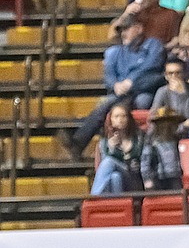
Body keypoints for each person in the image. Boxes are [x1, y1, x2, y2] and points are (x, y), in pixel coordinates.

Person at [57, 17, 166, 159]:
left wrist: (132, 81)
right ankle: (80, 143)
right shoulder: (115, 52)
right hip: (122, 93)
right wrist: (116, 85)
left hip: (145, 89)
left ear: (138, 28)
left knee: (141, 101)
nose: (123, 33)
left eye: (127, 29)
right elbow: (109, 76)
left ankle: (79, 141)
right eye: (121, 31)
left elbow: (153, 66)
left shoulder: (153, 45)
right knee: (107, 104)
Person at [90, 103, 146, 195]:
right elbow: (103, 170)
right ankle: (117, 202)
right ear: (111, 120)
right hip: (119, 178)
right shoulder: (104, 142)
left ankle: (94, 196)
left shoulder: (139, 138)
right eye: (116, 117)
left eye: (124, 116)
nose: (120, 120)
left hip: (135, 179)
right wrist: (111, 148)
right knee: (115, 177)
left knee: (109, 161)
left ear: (129, 119)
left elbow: (144, 161)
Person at [150, 58, 189, 138]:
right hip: (169, 128)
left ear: (184, 73)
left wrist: (183, 94)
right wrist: (180, 126)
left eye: (178, 73)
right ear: (166, 76)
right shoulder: (162, 91)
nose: (174, 76)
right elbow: (155, 116)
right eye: (170, 73)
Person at [113, 0, 183, 44]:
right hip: (133, 50)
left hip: (156, 51)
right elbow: (113, 35)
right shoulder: (135, 14)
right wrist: (126, 13)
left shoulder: (170, 14)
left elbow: (174, 41)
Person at [141, 105, 186, 190]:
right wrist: (147, 179)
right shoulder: (152, 144)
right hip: (159, 178)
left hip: (176, 177)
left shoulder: (178, 140)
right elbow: (145, 164)